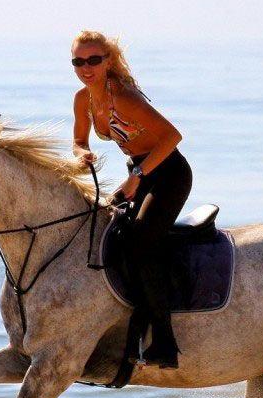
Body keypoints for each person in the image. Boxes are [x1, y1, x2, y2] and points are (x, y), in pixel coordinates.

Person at [70, 30, 192, 369]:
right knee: (108, 234)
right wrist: (83, 155)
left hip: (168, 173)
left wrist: (137, 178)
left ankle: (166, 343)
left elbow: (172, 136)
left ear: (108, 61)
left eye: (94, 60)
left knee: (140, 241)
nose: (86, 67)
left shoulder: (123, 97)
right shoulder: (84, 99)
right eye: (79, 61)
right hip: (138, 172)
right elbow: (79, 141)